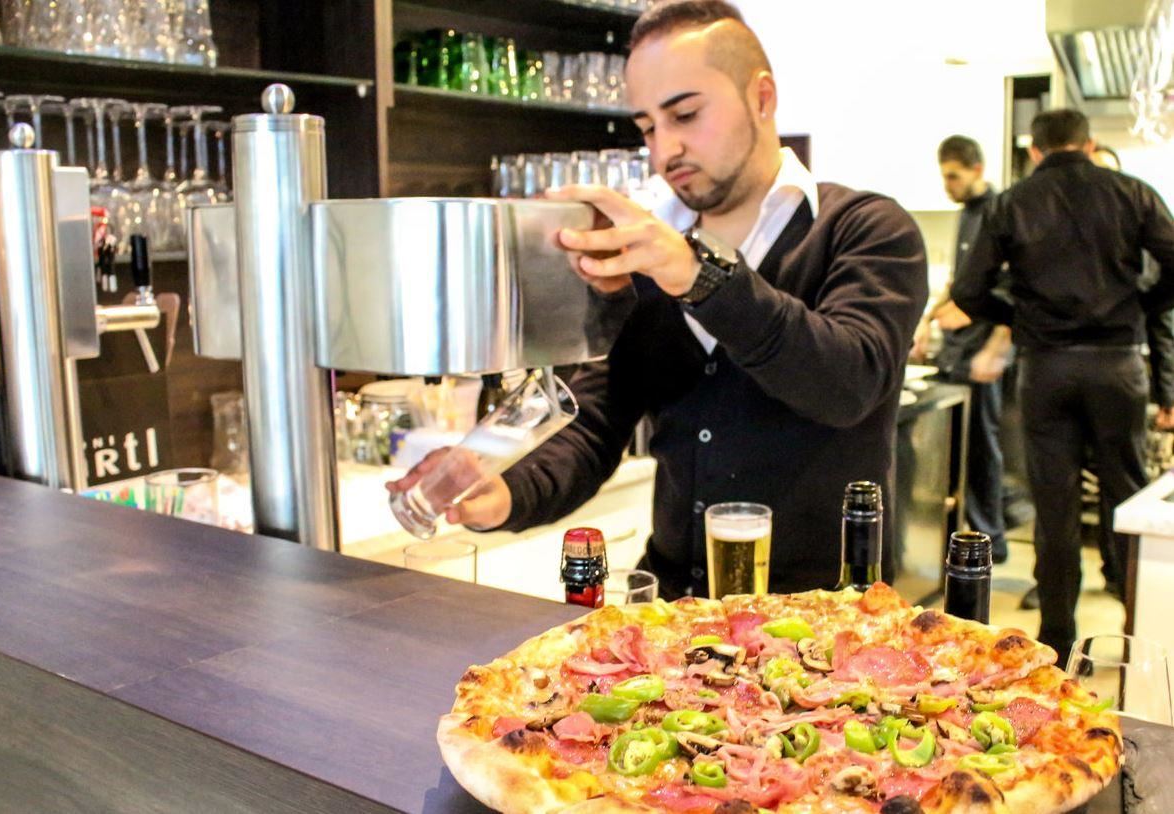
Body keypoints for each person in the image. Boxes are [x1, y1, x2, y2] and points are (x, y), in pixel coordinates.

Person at [389, 0, 928, 599]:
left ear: (763, 98)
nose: (664, 150)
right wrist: (508, 489)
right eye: (648, 127)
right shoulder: (648, 258)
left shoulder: (865, 229)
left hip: (824, 622)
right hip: (669, 615)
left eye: (686, 115)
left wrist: (697, 274)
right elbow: (595, 419)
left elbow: (845, 382)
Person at [952, 109, 1174, 665]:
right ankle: (1139, 636)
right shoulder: (1132, 193)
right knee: (1127, 496)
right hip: (1118, 364)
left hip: (1047, 367)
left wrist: (1020, 314)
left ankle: (1061, 643)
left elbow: (968, 288)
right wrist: (1140, 305)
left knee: (1056, 508)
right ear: (1089, 144)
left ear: (1035, 150)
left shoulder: (1012, 202)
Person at [912, 135, 1010, 564]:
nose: (947, 184)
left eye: (953, 175)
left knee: (981, 454)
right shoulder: (966, 215)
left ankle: (992, 543)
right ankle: (953, 545)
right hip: (954, 353)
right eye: (943, 175)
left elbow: (1007, 287)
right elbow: (960, 283)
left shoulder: (1000, 212)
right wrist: (928, 319)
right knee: (956, 453)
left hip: (979, 357)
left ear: (977, 170)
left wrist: (983, 332)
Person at [1087, 144, 1174, 601]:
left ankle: (1121, 574)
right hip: (1101, 370)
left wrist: (1168, 394)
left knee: (1120, 480)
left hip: (1123, 365)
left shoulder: (1138, 243)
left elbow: (1162, 325)